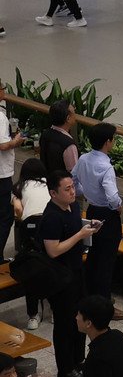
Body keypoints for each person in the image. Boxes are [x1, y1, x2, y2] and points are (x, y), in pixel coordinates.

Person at [40, 171, 92, 377]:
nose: (73, 192)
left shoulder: (73, 207)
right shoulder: (51, 217)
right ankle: (65, 369)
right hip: (59, 277)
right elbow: (53, 250)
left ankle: (78, 360)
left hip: (76, 270)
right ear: (53, 193)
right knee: (64, 323)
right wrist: (80, 235)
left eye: (73, 187)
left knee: (81, 317)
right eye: (67, 189)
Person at [72, 123, 123, 320]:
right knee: (106, 261)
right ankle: (105, 307)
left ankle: (91, 298)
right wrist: (118, 206)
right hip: (108, 215)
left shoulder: (84, 158)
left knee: (94, 257)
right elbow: (112, 197)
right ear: (107, 142)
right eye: (113, 139)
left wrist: (84, 192)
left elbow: (73, 180)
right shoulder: (106, 167)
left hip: (92, 210)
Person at [12, 157, 48, 330]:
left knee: (31, 270)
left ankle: (33, 315)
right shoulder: (49, 184)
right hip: (50, 227)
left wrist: (23, 218)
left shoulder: (18, 187)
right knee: (52, 265)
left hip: (31, 230)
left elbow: (18, 209)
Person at [0, 97, 24, 262]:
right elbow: (3, 145)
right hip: (1, 175)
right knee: (5, 216)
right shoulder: (0, 117)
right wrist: (16, 141)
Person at [38, 101, 78, 181]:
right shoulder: (69, 145)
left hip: (47, 182)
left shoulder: (45, 134)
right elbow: (73, 173)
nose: (75, 116)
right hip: (62, 188)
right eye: (74, 113)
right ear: (68, 118)